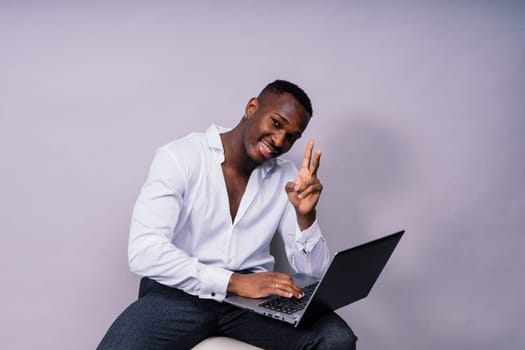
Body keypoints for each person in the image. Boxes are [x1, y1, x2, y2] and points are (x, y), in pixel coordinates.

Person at [98, 80, 357, 349]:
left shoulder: (288, 178)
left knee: (337, 340)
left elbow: (314, 274)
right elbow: (144, 251)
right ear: (252, 107)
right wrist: (234, 282)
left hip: (250, 304)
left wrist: (306, 217)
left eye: (291, 136)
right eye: (277, 123)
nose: (280, 141)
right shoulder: (180, 158)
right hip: (180, 293)